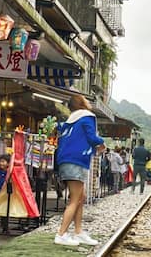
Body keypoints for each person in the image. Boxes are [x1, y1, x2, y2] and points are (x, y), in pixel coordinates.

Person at [54, 94, 104, 247]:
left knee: (80, 197)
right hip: (77, 160)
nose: (88, 101)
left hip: (66, 159)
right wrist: (102, 142)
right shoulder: (87, 117)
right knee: (75, 199)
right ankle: (61, 234)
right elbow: (92, 137)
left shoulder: (70, 120)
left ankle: (78, 231)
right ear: (82, 102)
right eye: (85, 99)